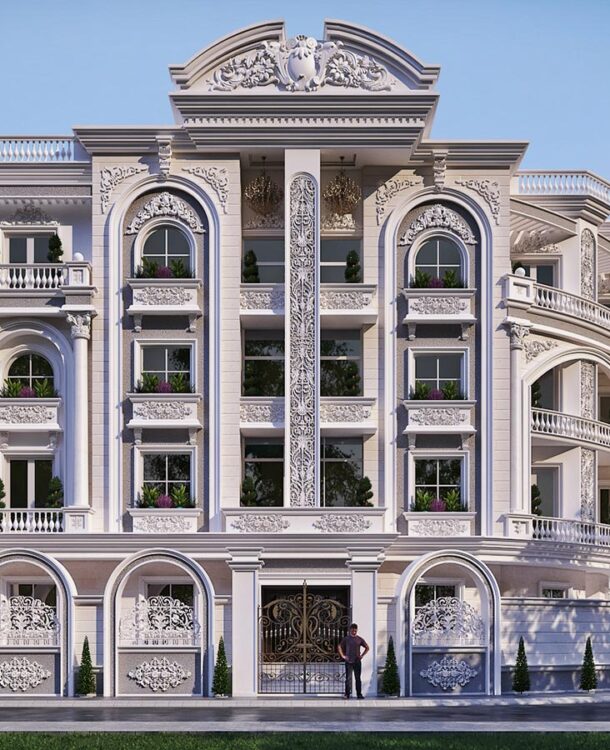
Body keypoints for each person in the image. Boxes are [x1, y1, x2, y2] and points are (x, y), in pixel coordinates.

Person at [338, 622, 369, 699]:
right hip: (348, 661)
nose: (354, 632)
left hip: (357, 661)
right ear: (350, 630)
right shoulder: (346, 639)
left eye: (355, 631)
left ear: (357, 630)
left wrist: (362, 656)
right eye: (353, 630)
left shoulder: (359, 639)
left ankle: (359, 694)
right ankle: (347, 694)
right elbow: (339, 646)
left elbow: (367, 647)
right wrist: (343, 655)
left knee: (358, 678)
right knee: (348, 679)